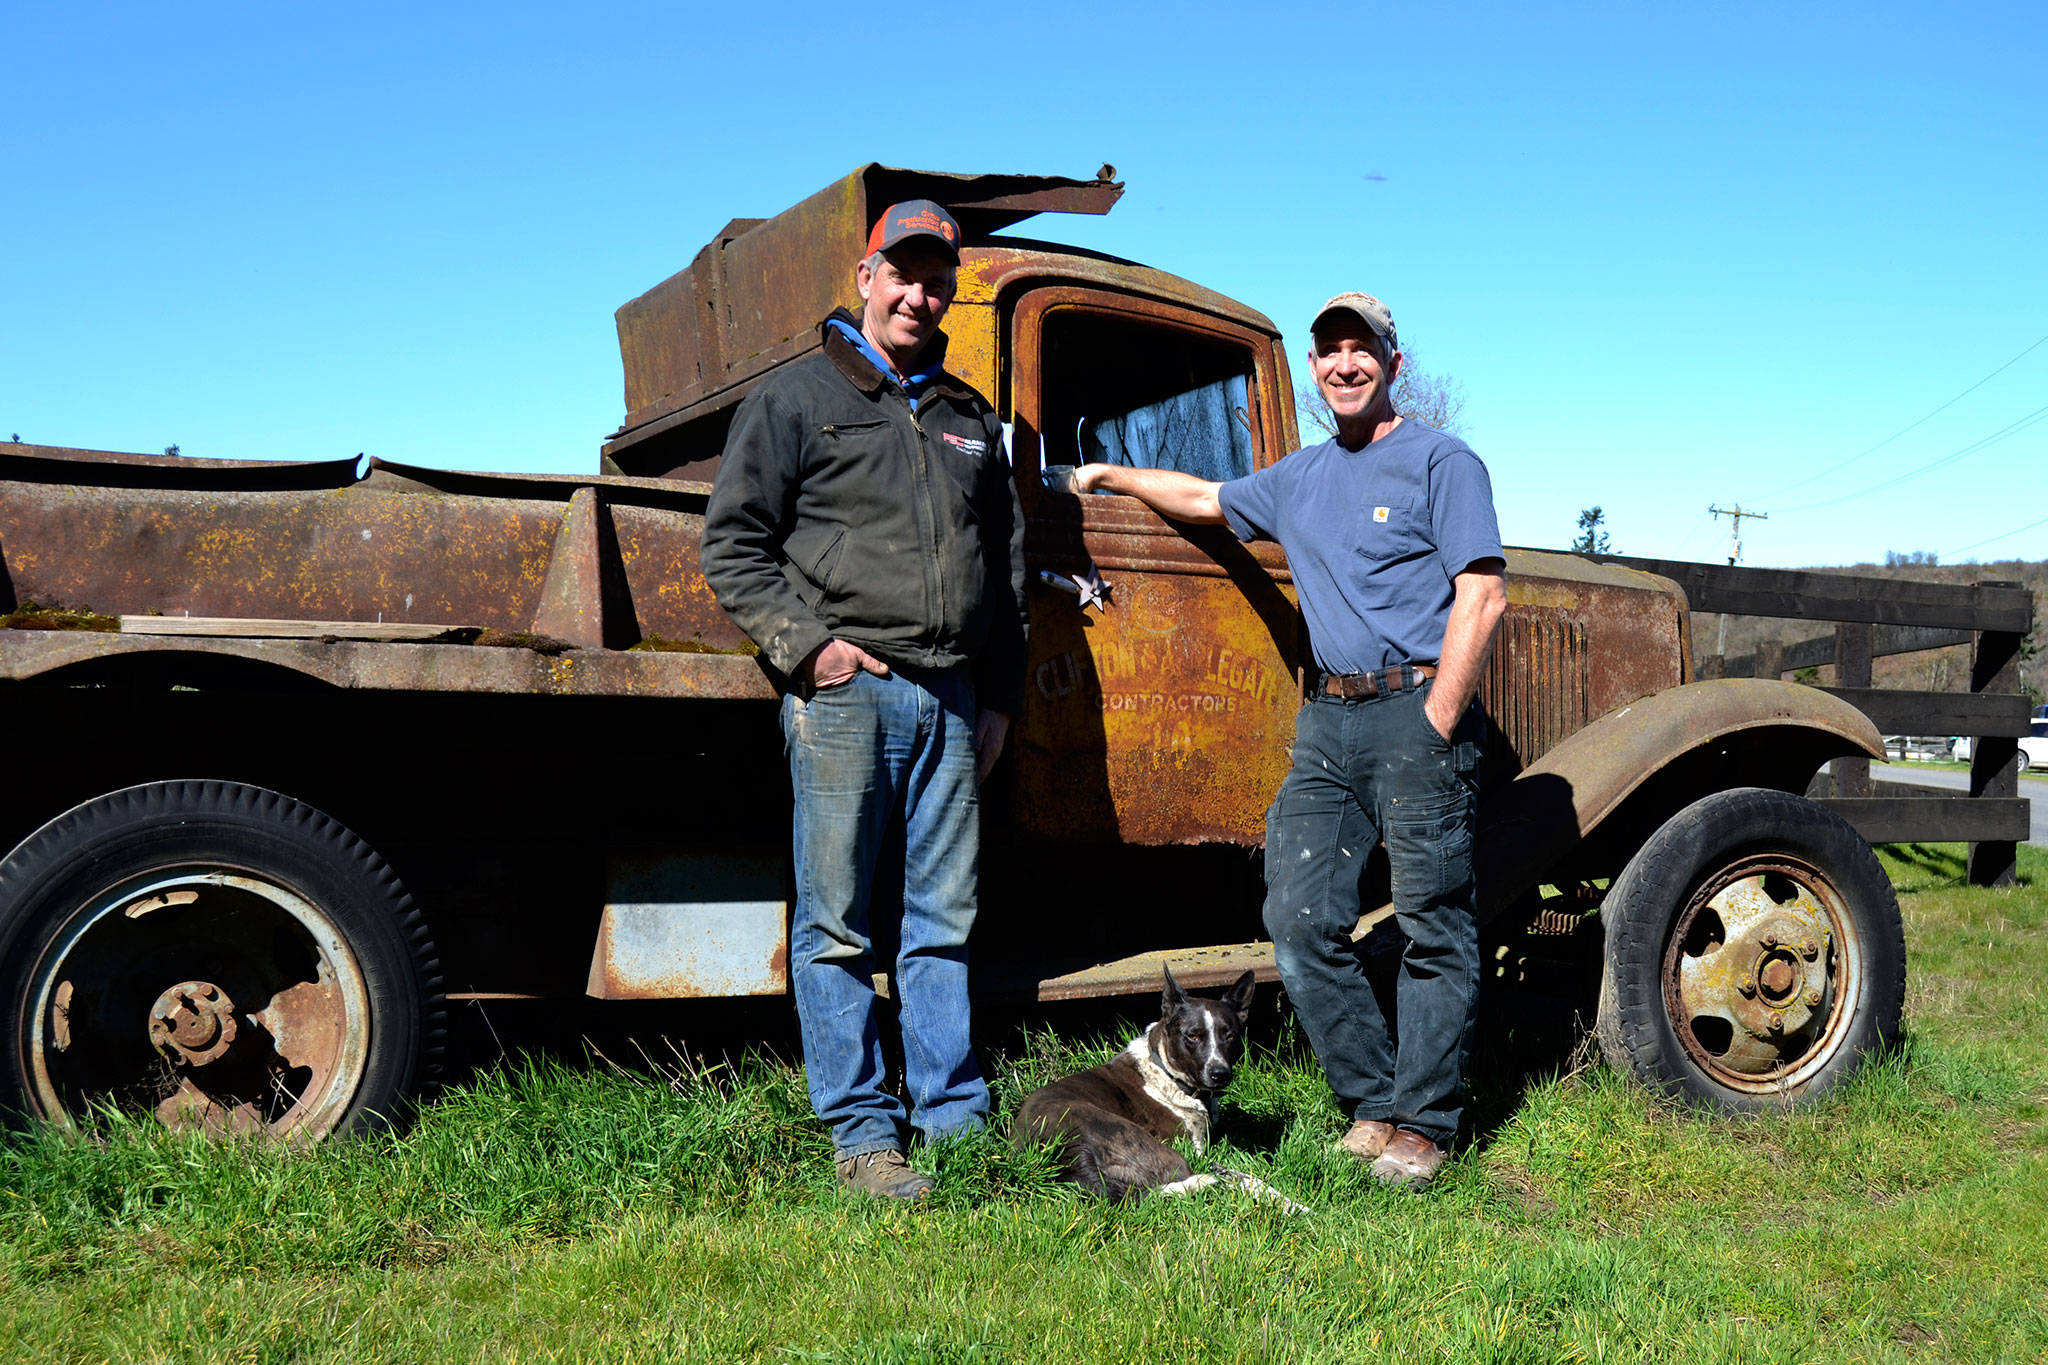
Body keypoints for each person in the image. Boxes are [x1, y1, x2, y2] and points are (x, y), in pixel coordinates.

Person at [1071, 292, 1506, 1188]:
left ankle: (1424, 1125)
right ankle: (1373, 1101)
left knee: (1431, 923)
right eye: (1329, 352)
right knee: (1298, 917)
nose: (1345, 364)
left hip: (1414, 706)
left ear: (1393, 362)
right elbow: (1201, 494)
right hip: (1327, 722)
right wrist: (1108, 476)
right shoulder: (1299, 477)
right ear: (1313, 371)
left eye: (1362, 349)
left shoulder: (1442, 460)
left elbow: (1482, 593)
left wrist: (1438, 714)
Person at [701, 200, 1026, 1200]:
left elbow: (1007, 574)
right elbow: (734, 545)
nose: (920, 294)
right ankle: (863, 1139)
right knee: (837, 928)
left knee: (942, 925)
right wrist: (811, 652)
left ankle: (955, 1123)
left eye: (937, 279)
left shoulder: (970, 418)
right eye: (904, 272)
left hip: (951, 700)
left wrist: (999, 698)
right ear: (866, 275)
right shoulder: (797, 398)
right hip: (848, 700)